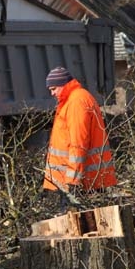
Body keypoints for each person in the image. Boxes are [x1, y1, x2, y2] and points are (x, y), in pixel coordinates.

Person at [42, 66, 117, 212]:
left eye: (53, 88)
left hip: (77, 182)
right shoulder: (74, 99)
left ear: (63, 84)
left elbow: (78, 144)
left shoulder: (76, 102)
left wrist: (72, 182)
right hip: (79, 180)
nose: (52, 93)